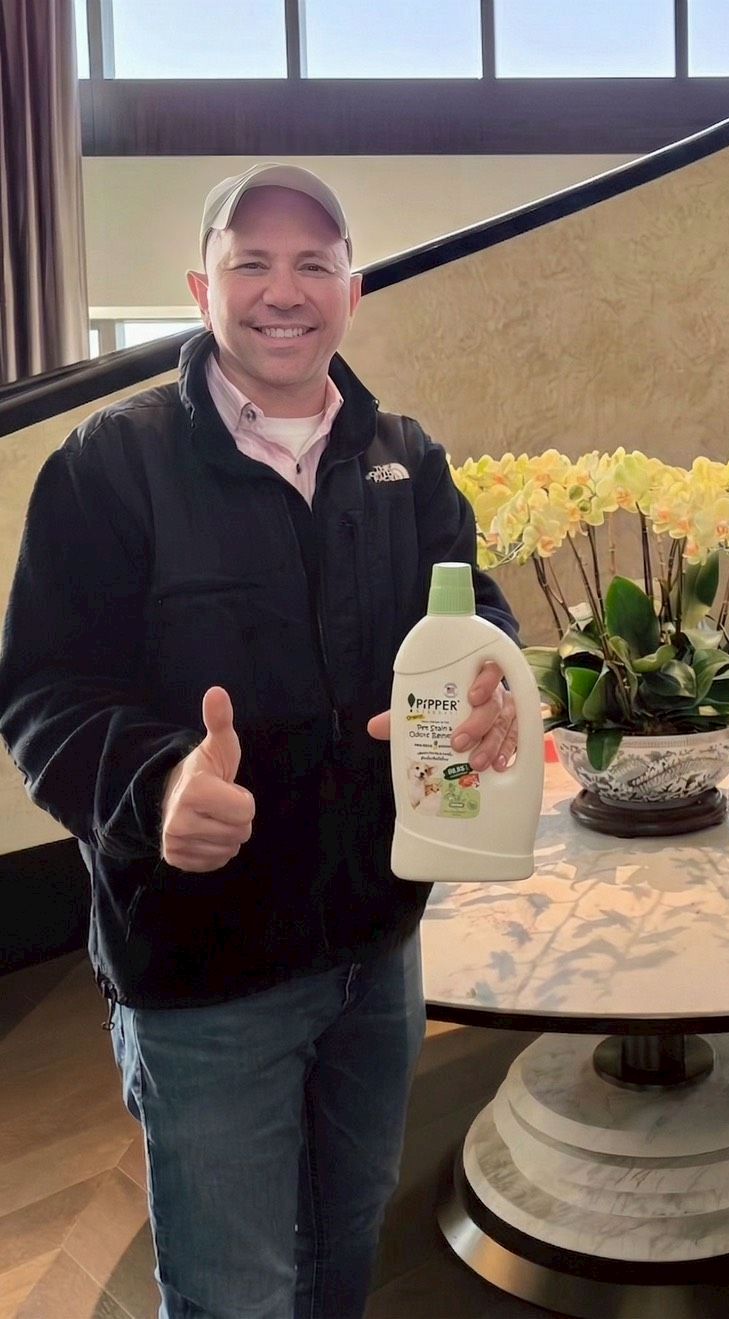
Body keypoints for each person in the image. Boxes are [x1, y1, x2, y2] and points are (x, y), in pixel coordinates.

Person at [0, 163, 522, 1318]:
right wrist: (157, 783)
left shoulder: (407, 459)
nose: (283, 291)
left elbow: (473, 605)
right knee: (232, 1292)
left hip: (377, 944)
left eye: (313, 264)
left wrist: (491, 674)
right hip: (204, 973)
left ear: (353, 290)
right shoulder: (108, 465)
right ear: (202, 287)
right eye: (251, 262)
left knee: (345, 1253)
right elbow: (42, 689)